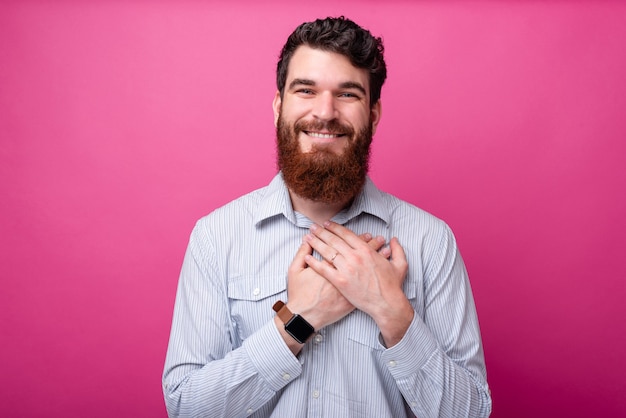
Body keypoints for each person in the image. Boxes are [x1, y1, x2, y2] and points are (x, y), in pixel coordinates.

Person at [163, 16, 492, 418]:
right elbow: (186, 407)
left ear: (373, 114)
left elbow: (471, 412)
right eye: (306, 90)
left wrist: (392, 309)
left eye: (348, 94)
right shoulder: (216, 237)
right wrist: (299, 321)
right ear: (279, 106)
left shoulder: (430, 240)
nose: (325, 112)